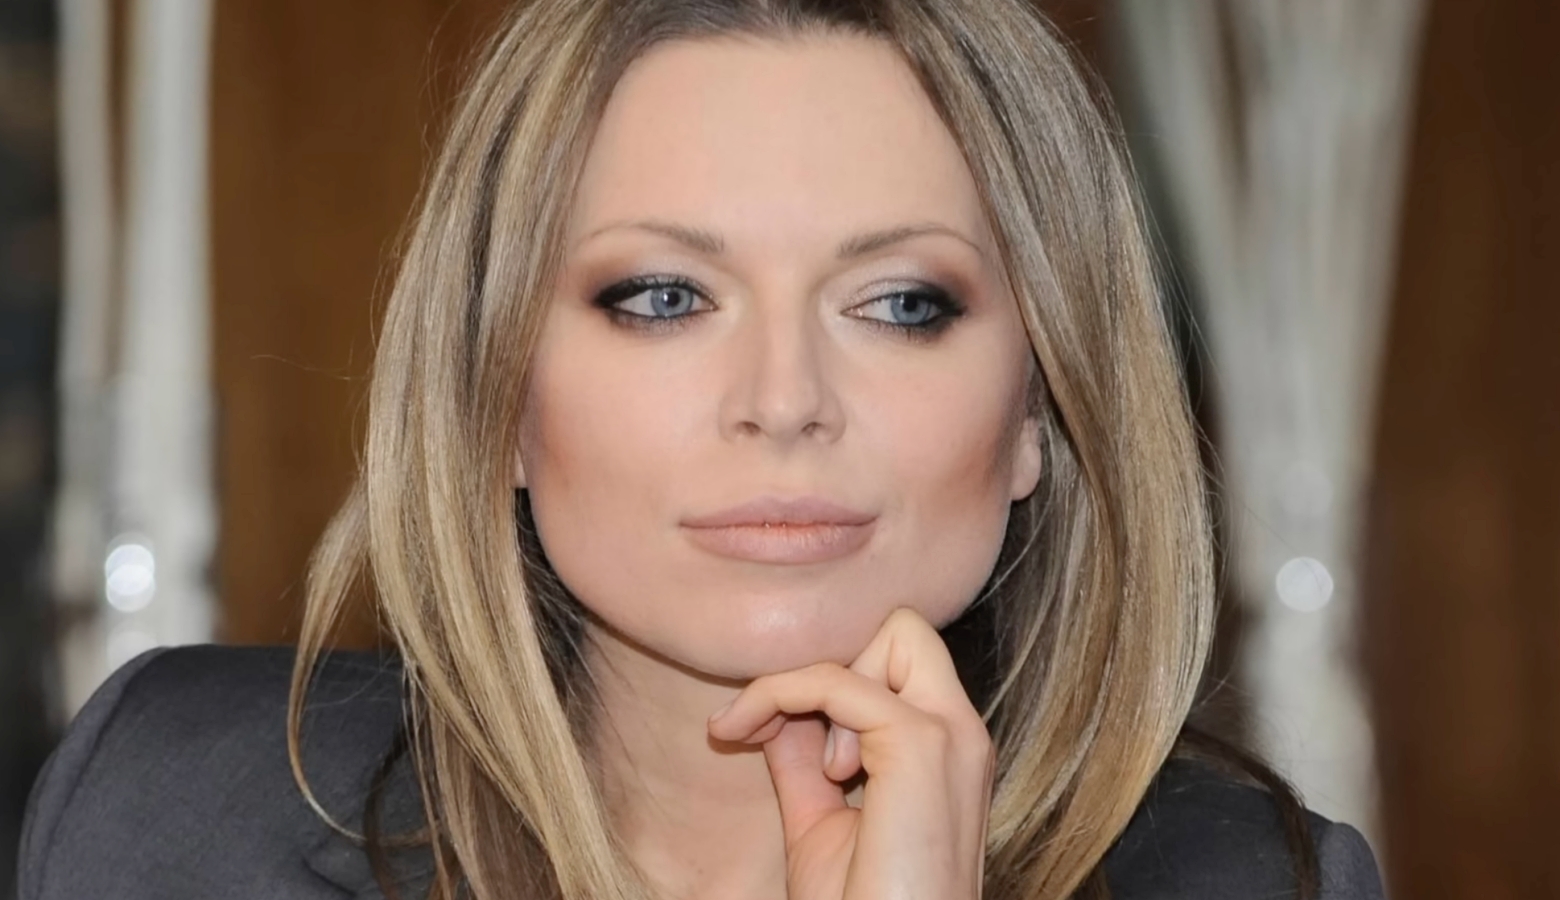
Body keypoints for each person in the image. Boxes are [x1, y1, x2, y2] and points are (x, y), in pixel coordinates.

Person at [16, 1, 1388, 898]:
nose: (784, 401)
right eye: (665, 297)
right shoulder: (170, 812)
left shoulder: (1263, 887)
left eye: (901, 304)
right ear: (498, 396)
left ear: (1037, 413)